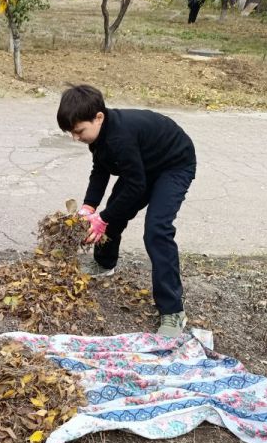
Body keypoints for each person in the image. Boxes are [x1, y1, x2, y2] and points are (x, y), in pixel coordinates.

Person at [56, 84, 196, 337]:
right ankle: (104, 263)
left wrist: (103, 218)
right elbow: (100, 169)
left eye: (78, 131)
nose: (75, 138)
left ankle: (173, 311)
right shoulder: (100, 134)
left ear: (98, 117)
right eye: (71, 132)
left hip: (174, 165)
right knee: (113, 214)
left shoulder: (121, 136)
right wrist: (90, 207)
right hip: (143, 165)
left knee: (157, 230)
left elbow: (136, 185)